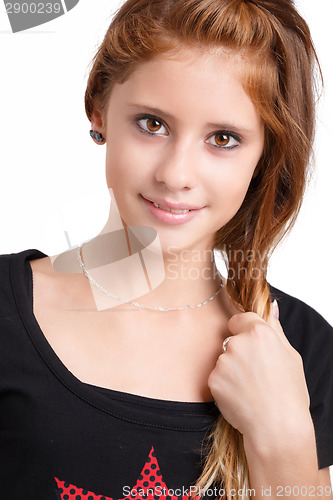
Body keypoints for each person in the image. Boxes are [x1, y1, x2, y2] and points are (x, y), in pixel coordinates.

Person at [0, 0, 332, 499]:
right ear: (99, 109)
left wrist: (281, 438)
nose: (175, 174)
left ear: (266, 155)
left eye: (223, 139)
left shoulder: (303, 350)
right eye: (152, 124)